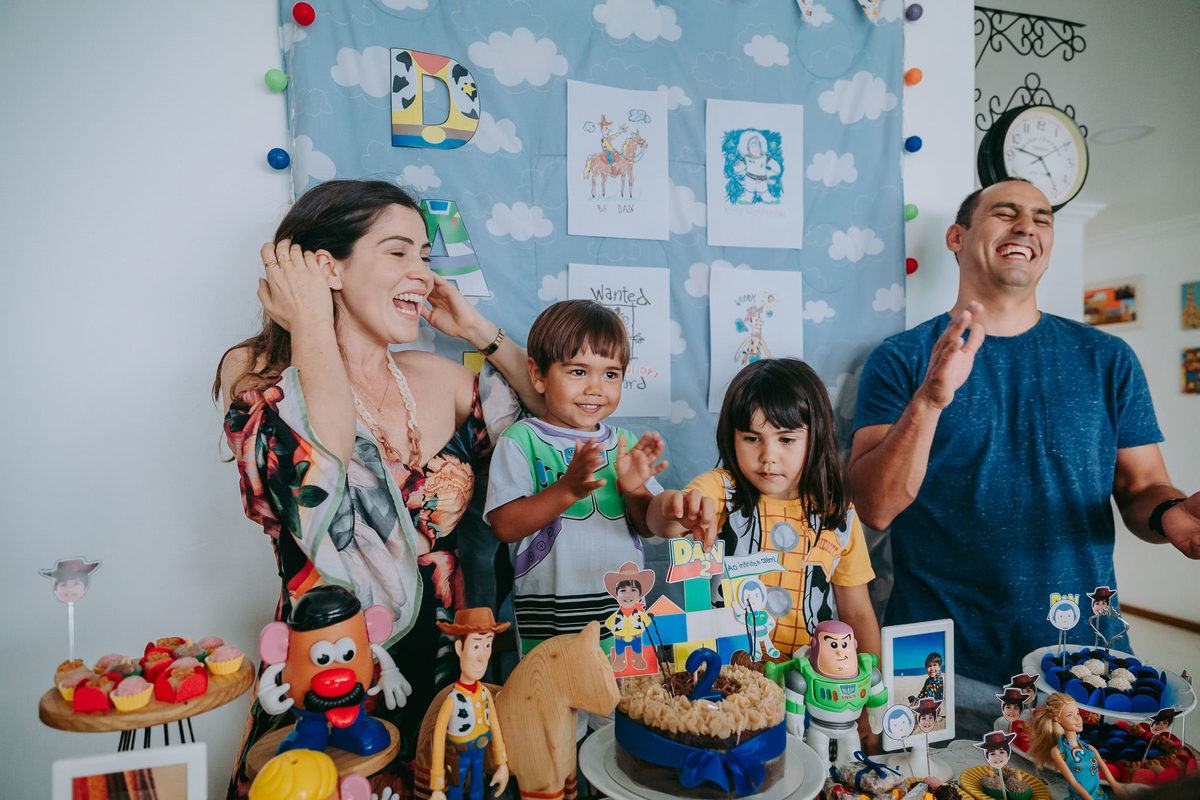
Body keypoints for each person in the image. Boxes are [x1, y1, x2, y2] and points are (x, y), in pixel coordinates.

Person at [214, 179, 541, 799]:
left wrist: (476, 329)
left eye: (424, 254)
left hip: (452, 684)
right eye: (398, 252)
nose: (421, 272)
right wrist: (311, 318)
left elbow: (557, 420)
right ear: (325, 267)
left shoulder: (439, 377)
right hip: (331, 686)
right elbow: (326, 468)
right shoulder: (256, 375)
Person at [850, 179, 1200, 691]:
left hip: (1084, 660)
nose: (1027, 226)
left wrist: (1170, 513)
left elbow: (1142, 487)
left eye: (1042, 218)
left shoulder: (1108, 359)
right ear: (956, 237)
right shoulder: (901, 358)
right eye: (1006, 212)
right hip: (936, 665)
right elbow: (873, 507)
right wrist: (929, 400)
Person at [647, 358, 880, 660]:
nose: (768, 456)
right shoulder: (721, 490)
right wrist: (673, 509)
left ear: (816, 437)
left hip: (811, 676)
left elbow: (857, 612)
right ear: (732, 437)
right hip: (731, 675)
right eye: (752, 438)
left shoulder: (836, 513)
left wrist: (873, 691)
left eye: (786, 439)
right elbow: (661, 524)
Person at [484, 299, 669, 656]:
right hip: (551, 620)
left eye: (610, 374)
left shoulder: (624, 445)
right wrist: (567, 489)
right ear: (538, 375)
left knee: (615, 706)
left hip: (620, 615)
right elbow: (505, 526)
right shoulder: (521, 440)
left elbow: (647, 525)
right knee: (552, 708)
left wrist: (643, 494)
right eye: (578, 372)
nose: (596, 388)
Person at [428, 608, 510, 800]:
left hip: (480, 752)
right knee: (456, 792)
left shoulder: (484, 693)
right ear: (459, 648)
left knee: (478, 790)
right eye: (476, 646)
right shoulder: (452, 700)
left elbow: (495, 727)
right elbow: (439, 740)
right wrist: (437, 786)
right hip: (459, 755)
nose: (482, 656)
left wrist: (502, 763)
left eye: (488, 645)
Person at [1028, 693, 1129, 800]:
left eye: (1078, 714)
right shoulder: (1058, 751)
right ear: (1058, 719)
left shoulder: (1090, 749)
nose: (1078, 719)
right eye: (1070, 715)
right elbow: (1074, 783)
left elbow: (1113, 782)